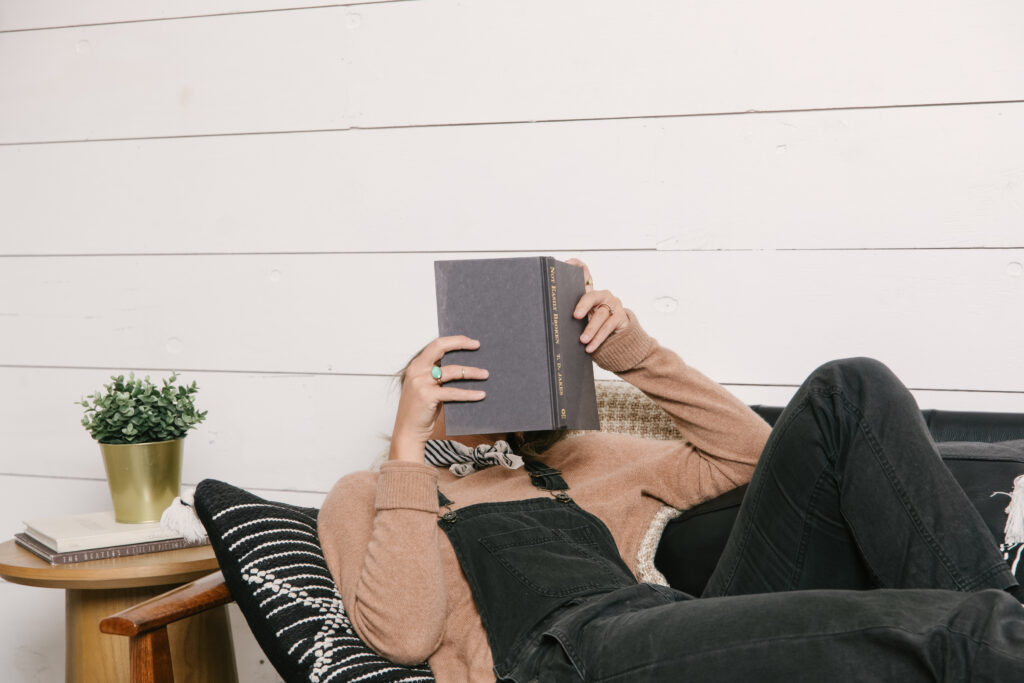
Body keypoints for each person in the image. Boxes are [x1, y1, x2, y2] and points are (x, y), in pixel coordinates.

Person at [319, 258, 1024, 682]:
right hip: (565, 656)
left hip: (669, 627)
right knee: (956, 634)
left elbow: (752, 457)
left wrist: (627, 349)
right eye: (453, 373)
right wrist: (408, 450)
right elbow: (404, 633)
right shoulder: (377, 491)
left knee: (851, 387)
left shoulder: (567, 462)